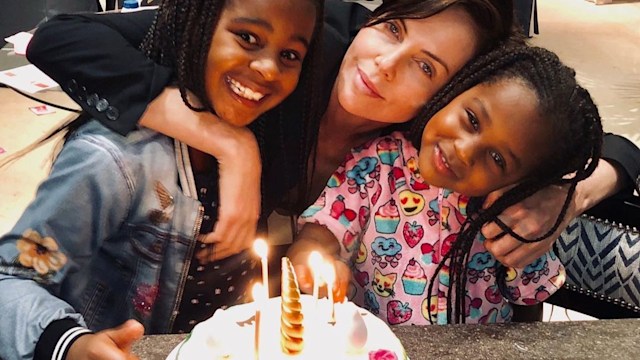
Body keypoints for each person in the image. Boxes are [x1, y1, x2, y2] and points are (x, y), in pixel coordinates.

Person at [26, 0, 640, 270]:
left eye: (426, 67)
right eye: (393, 28)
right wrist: (228, 141)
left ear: (449, 98)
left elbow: (612, 146)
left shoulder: (425, 144)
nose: (382, 64)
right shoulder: (301, 39)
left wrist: (571, 195)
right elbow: (60, 39)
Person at [0, 0, 324, 359]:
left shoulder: (269, 133)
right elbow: (9, 283)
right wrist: (70, 344)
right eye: (247, 37)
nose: (268, 68)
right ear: (193, 26)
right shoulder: (113, 162)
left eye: (290, 55)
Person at [288, 43, 604, 325]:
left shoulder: (515, 218)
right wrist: (316, 263)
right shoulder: (375, 164)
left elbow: (528, 306)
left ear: (522, 182)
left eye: (496, 159)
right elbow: (317, 237)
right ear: (457, 89)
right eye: (472, 119)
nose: (464, 151)